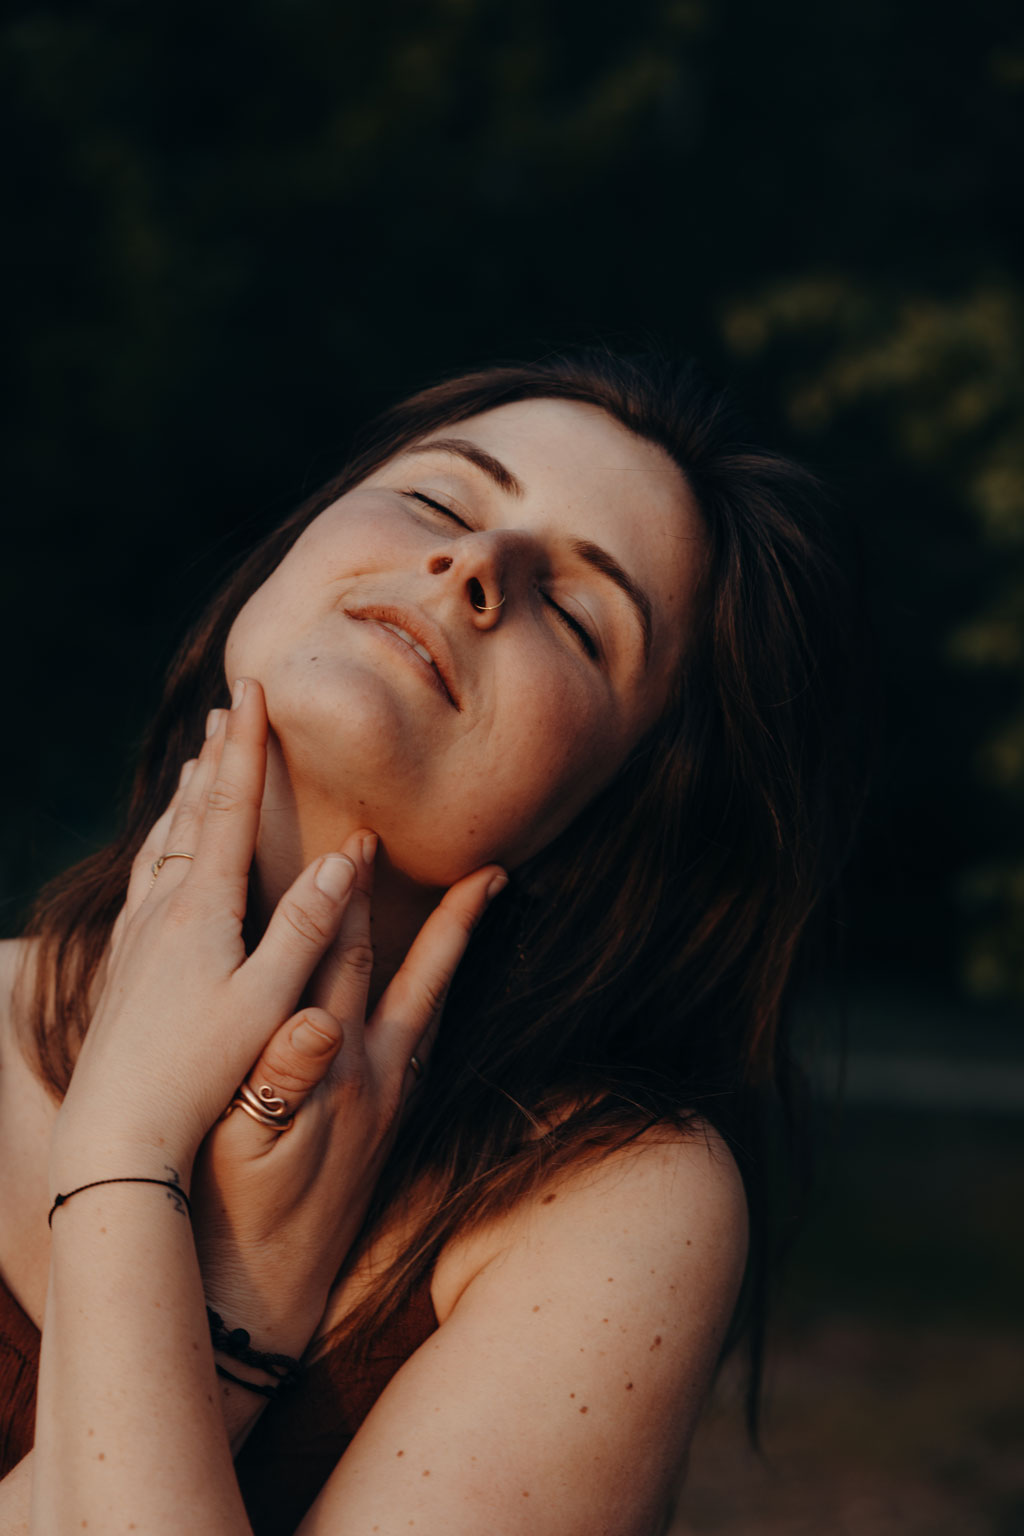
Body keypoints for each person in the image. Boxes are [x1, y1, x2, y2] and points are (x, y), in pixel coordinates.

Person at [0, 347, 866, 1535]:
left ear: (605, 821)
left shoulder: (612, 1201)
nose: (474, 563)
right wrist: (226, 1349)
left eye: (574, 612)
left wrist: (122, 1137)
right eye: (438, 500)